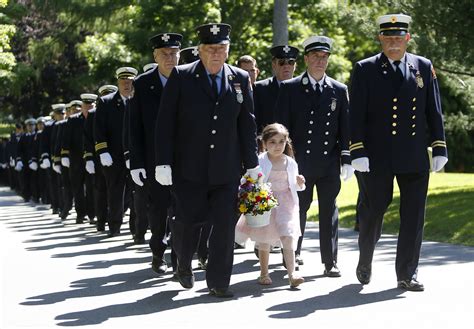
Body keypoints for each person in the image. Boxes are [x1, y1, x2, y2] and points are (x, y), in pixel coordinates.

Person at [154, 23, 260, 298]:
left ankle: (219, 281)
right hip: (189, 168)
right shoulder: (182, 75)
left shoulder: (239, 78)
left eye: (222, 48)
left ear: (228, 50)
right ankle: (183, 262)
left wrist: (252, 163)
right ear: (200, 51)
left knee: (224, 226)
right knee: (188, 221)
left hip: (226, 168)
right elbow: (165, 123)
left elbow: (247, 123)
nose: (216, 54)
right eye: (211, 49)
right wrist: (163, 162)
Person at [349, 14, 448, 291]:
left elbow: (433, 110)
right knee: (373, 210)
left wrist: (439, 145)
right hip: (376, 157)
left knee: (414, 215)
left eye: (398, 38)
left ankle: (407, 273)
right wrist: (357, 150)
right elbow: (354, 114)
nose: (393, 43)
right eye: (388, 38)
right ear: (381, 38)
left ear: (407, 39)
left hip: (413, 154)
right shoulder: (365, 68)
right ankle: (365, 258)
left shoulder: (423, 66)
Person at [276, 36, 353, 277]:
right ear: (306, 59)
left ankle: (330, 261)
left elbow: (345, 127)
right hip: (300, 162)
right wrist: (284, 161)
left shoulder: (338, 90)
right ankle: (293, 253)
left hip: (328, 162)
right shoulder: (290, 88)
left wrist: (346, 158)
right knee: (298, 208)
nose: (320, 61)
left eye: (324, 57)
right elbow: (283, 128)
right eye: (316, 56)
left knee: (329, 210)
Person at [130, 32, 182, 272]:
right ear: (155, 56)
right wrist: (136, 162)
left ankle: (179, 255)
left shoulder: (189, 79)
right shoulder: (142, 84)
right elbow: (134, 126)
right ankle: (157, 252)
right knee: (159, 209)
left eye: (173, 53)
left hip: (184, 158)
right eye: (164, 54)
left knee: (182, 209)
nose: (169, 58)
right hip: (153, 159)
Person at [235, 123, 305, 288]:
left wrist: (300, 183)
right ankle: (264, 273)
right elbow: (248, 180)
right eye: (272, 142)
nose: (277, 146)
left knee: (288, 237)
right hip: (265, 204)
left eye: (281, 142)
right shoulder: (260, 160)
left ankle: (292, 273)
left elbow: (295, 185)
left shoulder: (290, 162)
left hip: (286, 205)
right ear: (264, 143)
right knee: (264, 240)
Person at [94, 67, 138, 237]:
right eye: (123, 82)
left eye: (130, 82)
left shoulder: (138, 99)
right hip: (113, 156)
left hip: (136, 154)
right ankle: (114, 225)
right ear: (118, 83)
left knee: (136, 193)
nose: (127, 85)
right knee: (115, 191)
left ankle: (136, 228)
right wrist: (102, 150)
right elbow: (99, 129)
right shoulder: (106, 102)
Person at [254, 45, 298, 133]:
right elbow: (255, 121)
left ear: (295, 66)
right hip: (268, 143)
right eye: (281, 62)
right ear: (274, 65)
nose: (286, 66)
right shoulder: (260, 89)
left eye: (291, 62)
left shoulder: (303, 88)